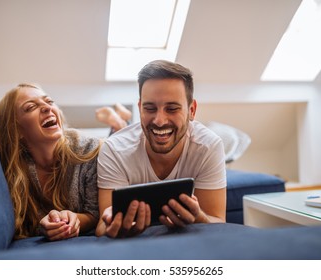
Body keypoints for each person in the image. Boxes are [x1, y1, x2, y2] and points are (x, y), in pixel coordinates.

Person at [95, 60, 227, 238]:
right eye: (150, 108)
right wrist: (118, 228)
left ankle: (119, 119)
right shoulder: (113, 149)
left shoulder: (209, 146)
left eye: (172, 109)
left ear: (192, 110)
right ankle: (118, 121)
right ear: (140, 108)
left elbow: (218, 221)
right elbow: (102, 228)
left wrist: (199, 218)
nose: (159, 120)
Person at [0, 83, 102, 241]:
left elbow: (95, 213)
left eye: (49, 101)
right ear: (17, 130)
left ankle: (117, 123)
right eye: (30, 107)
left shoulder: (90, 151)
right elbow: (23, 223)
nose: (47, 107)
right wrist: (44, 227)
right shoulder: (10, 170)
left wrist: (73, 220)